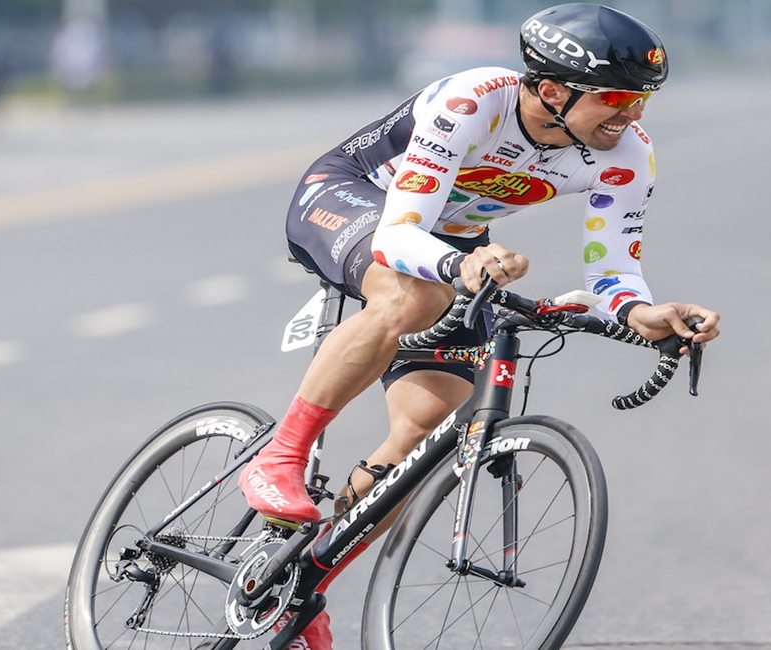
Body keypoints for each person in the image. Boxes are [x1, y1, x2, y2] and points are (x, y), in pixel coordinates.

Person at [240, 4, 721, 647]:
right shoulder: (473, 102)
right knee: (414, 296)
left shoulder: (628, 154)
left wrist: (640, 312)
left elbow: (612, 271)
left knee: (427, 425)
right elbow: (398, 235)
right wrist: (459, 265)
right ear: (552, 90)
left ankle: (303, 579)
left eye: (642, 100)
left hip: (456, 242)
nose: (631, 115)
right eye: (614, 98)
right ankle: (281, 455)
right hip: (356, 200)